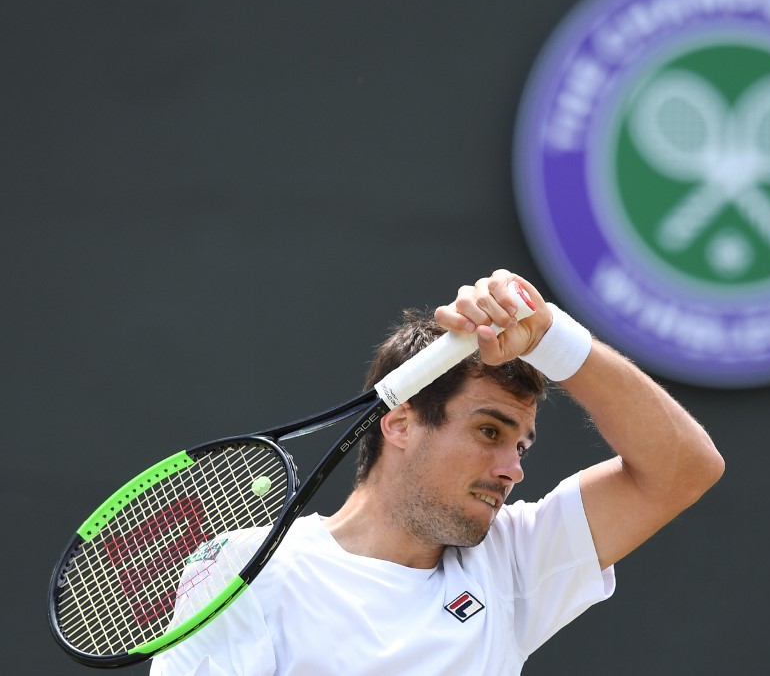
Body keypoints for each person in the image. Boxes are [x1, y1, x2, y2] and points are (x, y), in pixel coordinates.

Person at [151, 269, 724, 676]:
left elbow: (685, 470)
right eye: (489, 431)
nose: (512, 469)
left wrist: (551, 338)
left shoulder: (510, 562)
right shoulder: (244, 569)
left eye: (521, 445)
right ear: (400, 424)